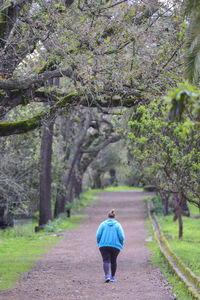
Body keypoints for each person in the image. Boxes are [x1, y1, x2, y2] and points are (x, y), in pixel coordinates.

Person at [96, 209, 125, 283]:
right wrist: (121, 244)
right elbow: (121, 236)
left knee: (106, 260)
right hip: (115, 246)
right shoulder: (118, 225)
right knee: (113, 261)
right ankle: (112, 277)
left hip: (103, 245)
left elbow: (98, 235)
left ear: (108, 216)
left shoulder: (103, 224)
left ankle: (107, 276)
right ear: (114, 217)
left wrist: (99, 243)